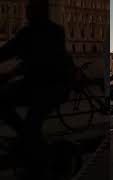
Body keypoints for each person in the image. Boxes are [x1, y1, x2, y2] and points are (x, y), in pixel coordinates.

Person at [0, 0, 75, 178]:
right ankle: (26, 140)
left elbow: (44, 61)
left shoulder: (54, 31)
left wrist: (13, 72)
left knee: (33, 120)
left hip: (52, 87)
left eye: (30, 10)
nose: (27, 13)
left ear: (40, 12)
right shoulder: (28, 32)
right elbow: (7, 51)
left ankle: (38, 158)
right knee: (4, 100)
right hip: (34, 84)